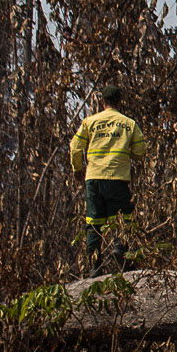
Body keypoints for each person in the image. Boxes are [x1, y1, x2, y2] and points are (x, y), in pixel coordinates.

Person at [69, 83, 146, 275]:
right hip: (117, 178)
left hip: (93, 178)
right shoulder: (129, 124)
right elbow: (140, 152)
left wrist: (77, 168)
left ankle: (94, 267)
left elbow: (75, 146)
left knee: (93, 222)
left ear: (102, 101)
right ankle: (120, 250)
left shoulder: (90, 122)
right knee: (124, 218)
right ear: (120, 101)